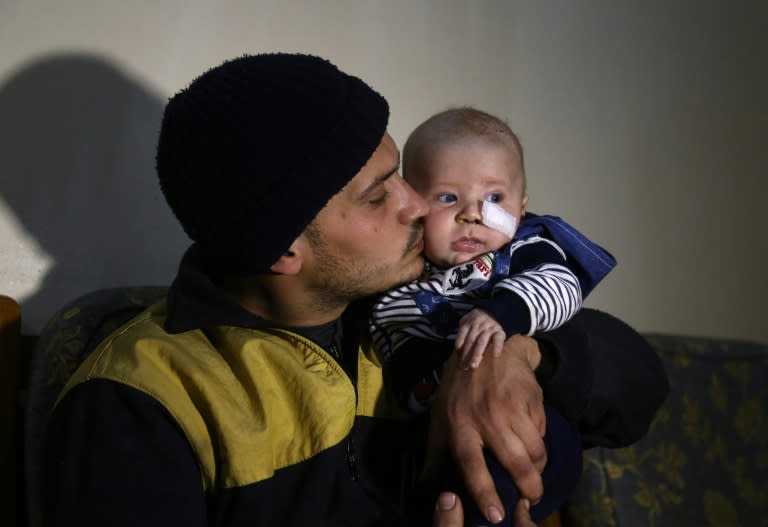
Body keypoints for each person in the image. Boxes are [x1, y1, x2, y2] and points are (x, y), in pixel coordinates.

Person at [41, 53, 669, 527]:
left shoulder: (416, 294)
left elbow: (640, 382)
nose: (417, 204)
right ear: (283, 249)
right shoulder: (139, 398)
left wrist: (511, 354)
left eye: (398, 174)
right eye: (378, 195)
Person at [370, 108, 616, 524]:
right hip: (433, 436)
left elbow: (559, 286)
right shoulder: (400, 287)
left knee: (499, 477)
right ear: (413, 205)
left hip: (530, 427)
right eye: (447, 197)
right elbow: (396, 344)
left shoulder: (522, 251)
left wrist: (505, 314)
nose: (472, 213)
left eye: (494, 198)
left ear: (521, 210)